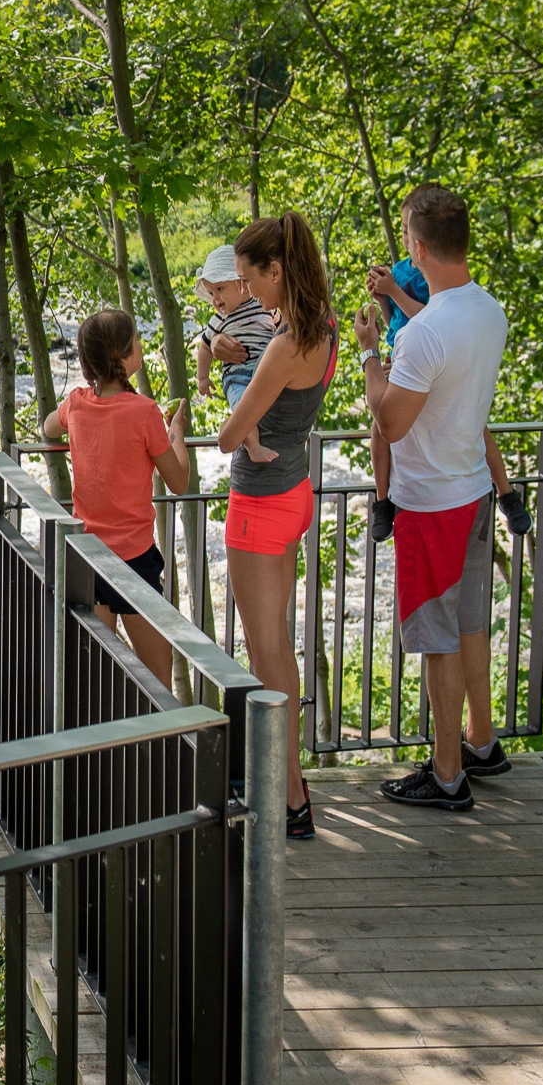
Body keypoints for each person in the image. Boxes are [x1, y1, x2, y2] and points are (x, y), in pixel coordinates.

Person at [353, 184, 511, 811]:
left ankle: (448, 776)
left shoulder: (420, 337)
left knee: (438, 638)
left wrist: (371, 356)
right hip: (473, 490)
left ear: (416, 246)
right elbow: (439, 347)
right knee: (469, 622)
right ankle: (481, 741)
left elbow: (389, 423)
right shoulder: (487, 311)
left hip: (430, 504)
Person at [213, 212, 337, 840]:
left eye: (249, 278)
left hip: (259, 502)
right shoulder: (321, 328)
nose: (247, 290)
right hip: (294, 490)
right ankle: (284, 784)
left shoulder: (287, 343)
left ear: (277, 269)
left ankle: (288, 796)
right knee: (276, 648)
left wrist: (227, 391)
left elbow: (232, 433)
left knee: (267, 654)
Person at [42, 308, 192, 686]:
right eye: (136, 341)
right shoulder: (145, 412)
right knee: (159, 677)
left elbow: (48, 428)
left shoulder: (76, 403)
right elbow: (179, 482)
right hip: (134, 563)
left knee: (94, 680)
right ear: (125, 357)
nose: (140, 345)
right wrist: (177, 434)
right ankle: (158, 743)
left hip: (89, 558)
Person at [366, 249, 532, 544]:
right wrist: (383, 300)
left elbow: (429, 320)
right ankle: (382, 503)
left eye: (408, 229)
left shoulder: (433, 278)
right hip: (408, 359)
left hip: (433, 356)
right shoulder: (402, 270)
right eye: (401, 229)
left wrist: (391, 291)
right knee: (381, 426)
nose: (405, 237)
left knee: (476, 426)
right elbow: (400, 322)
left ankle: (506, 493)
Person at [194, 244, 280, 464]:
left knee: (264, 408)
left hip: (265, 374)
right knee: (244, 412)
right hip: (237, 377)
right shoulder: (219, 320)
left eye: (220, 289)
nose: (215, 298)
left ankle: (236, 431)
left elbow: (280, 326)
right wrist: (202, 377)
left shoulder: (263, 305)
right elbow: (204, 347)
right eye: (211, 293)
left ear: (240, 283)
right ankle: (254, 447)